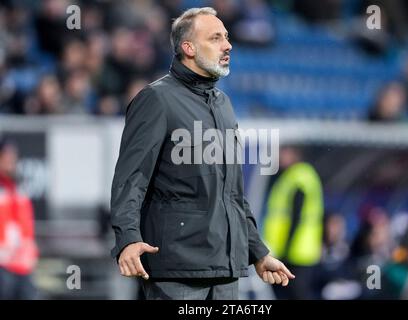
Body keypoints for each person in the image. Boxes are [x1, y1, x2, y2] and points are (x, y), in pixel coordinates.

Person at [110, 7, 294, 300]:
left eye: (227, 37)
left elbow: (232, 195)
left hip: (225, 271)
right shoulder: (156, 99)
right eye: (216, 38)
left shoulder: (223, 104)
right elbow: (130, 180)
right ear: (189, 48)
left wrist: (258, 253)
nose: (228, 44)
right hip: (177, 271)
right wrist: (128, 239)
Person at [0, 137, 39, 299]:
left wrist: (30, 249)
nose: (11, 161)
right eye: (6, 156)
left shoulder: (19, 189)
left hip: (22, 265)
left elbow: (27, 227)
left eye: (13, 157)